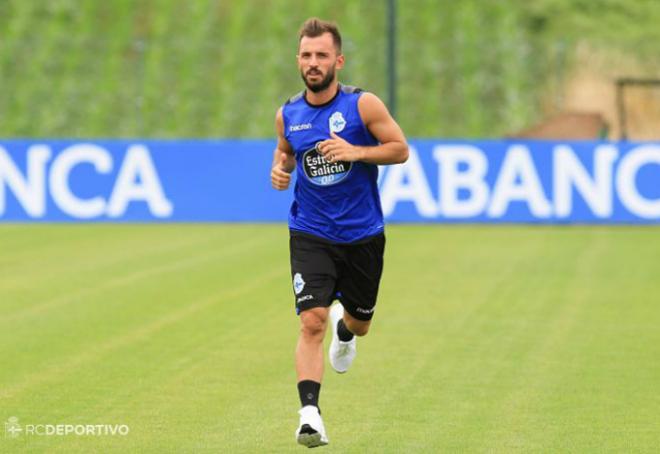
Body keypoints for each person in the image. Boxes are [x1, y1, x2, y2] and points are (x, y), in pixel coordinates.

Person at [271, 17, 408, 448]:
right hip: (310, 232)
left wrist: (356, 151)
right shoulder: (287, 114)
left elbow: (400, 149)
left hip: (362, 233)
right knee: (311, 321)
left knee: (359, 323)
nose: (313, 63)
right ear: (299, 60)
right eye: (307, 56)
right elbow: (285, 152)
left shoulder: (362, 106)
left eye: (322, 56)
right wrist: (280, 168)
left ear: (338, 61)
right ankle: (309, 414)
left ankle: (345, 331)